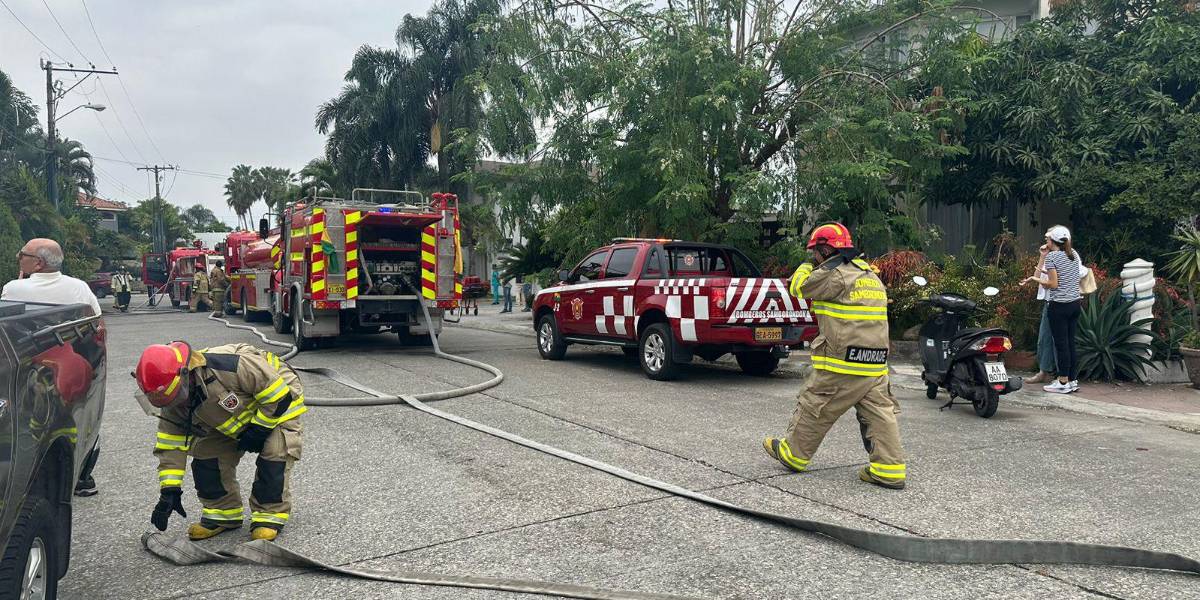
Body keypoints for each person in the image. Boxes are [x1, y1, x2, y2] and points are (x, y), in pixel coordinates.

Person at [762, 223, 906, 490]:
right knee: (880, 414)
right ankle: (889, 470)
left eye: (815, 253)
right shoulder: (870, 276)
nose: (814, 258)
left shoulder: (835, 274)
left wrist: (805, 267)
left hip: (842, 362)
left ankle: (793, 454)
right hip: (874, 363)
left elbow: (799, 287)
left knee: (815, 404)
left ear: (826, 249)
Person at [134, 341, 305, 541]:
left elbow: (278, 396)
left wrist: (260, 429)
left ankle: (268, 515)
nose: (176, 404)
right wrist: (169, 490)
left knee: (274, 454)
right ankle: (223, 514)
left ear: (186, 374)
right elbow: (170, 445)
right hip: (229, 412)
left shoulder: (229, 366)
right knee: (206, 457)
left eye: (177, 395)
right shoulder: (171, 398)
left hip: (278, 402)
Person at [3, 238, 104, 496]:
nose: (18, 256)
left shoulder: (15, 288)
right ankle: (83, 478)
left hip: (32, 371)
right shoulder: (80, 288)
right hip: (75, 366)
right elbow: (96, 321)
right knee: (81, 420)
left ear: (37, 263)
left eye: (22, 254)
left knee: (31, 425)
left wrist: (20, 282)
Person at [1024, 225, 1082, 394]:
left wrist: (1035, 278)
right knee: (1070, 343)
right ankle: (1072, 380)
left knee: (1061, 344)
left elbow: (1053, 284)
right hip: (1074, 304)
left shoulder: (1053, 258)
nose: (1046, 241)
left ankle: (1062, 381)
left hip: (1059, 306)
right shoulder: (1073, 254)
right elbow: (1064, 275)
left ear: (1052, 241)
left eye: (1048, 238)